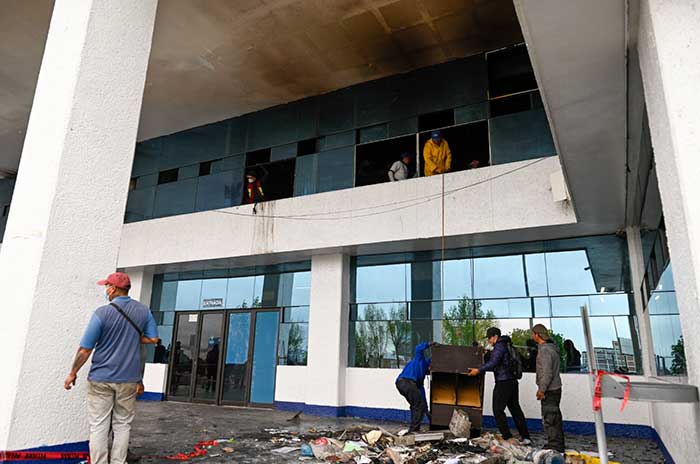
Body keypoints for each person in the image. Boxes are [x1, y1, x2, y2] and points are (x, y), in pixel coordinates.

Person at [64, 272, 159, 464]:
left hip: (101, 378)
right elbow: (153, 339)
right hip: (129, 380)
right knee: (123, 425)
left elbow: (85, 349)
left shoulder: (102, 313)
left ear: (114, 288)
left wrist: (72, 373)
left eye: (107, 286)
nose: (106, 290)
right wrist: (134, 338)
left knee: (99, 425)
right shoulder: (143, 311)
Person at [468, 328, 531, 444]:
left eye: (489, 338)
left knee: (497, 410)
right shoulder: (507, 345)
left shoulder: (499, 346)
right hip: (512, 382)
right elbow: (501, 360)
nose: (489, 341)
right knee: (515, 409)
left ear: (495, 336)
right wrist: (489, 354)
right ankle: (526, 437)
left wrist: (478, 370)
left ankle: (507, 436)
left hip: (503, 382)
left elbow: (493, 363)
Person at [532, 323, 565, 452]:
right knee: (555, 417)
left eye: (533, 333)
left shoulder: (545, 351)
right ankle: (557, 443)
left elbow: (546, 373)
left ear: (537, 335)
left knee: (550, 418)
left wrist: (541, 389)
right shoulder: (552, 349)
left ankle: (555, 445)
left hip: (550, 390)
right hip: (556, 387)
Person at [396, 342, 433, 432]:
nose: (431, 371)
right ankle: (414, 429)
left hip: (401, 384)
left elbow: (421, 392)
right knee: (418, 406)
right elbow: (418, 348)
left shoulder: (421, 377)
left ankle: (414, 428)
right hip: (406, 382)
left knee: (416, 405)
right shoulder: (421, 360)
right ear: (429, 365)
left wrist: (427, 410)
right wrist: (428, 344)